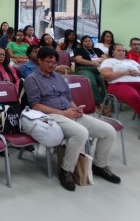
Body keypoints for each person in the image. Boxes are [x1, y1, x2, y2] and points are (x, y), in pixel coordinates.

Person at [24, 47, 120, 191]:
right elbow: (36, 106)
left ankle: (100, 166)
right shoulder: (32, 79)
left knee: (109, 131)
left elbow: (68, 97)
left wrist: (75, 108)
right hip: (51, 115)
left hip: (68, 112)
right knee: (80, 133)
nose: (51, 65)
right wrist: (63, 114)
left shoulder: (58, 77)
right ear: (39, 61)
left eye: (54, 62)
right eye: (48, 62)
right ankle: (66, 170)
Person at [100, 43, 140, 116]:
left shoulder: (132, 62)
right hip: (118, 85)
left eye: (123, 51)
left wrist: (138, 73)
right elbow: (105, 75)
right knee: (134, 97)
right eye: (119, 50)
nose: (121, 52)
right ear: (113, 52)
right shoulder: (109, 61)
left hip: (137, 83)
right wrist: (124, 72)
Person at [74, 35, 108, 109]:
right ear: (82, 43)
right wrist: (92, 63)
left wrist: (98, 61)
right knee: (92, 83)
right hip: (84, 68)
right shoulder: (79, 50)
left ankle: (104, 101)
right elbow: (79, 60)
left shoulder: (97, 50)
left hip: (98, 69)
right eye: (85, 41)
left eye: (89, 41)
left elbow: (105, 58)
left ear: (92, 42)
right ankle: (98, 102)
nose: (88, 42)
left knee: (104, 81)